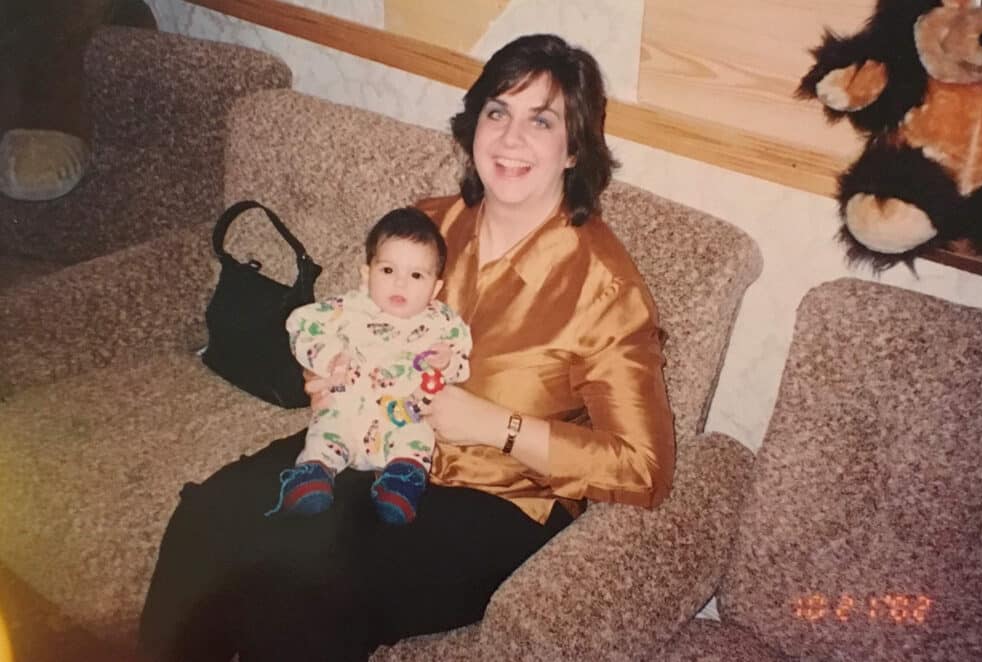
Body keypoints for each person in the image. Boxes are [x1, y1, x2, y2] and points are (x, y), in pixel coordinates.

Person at [139, 33, 674, 662]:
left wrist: (497, 425)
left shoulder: (604, 287)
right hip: (372, 439)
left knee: (295, 601)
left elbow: (644, 469)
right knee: (206, 520)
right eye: (497, 111)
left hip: (493, 500)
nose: (509, 138)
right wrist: (326, 370)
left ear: (575, 147)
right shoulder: (431, 225)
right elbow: (353, 320)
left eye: (541, 120)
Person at [268, 207, 471, 522]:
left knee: (418, 437)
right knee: (327, 429)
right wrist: (328, 356)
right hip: (347, 406)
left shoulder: (442, 323)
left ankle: (401, 481)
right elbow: (299, 326)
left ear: (435, 288)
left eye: (416, 275)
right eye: (388, 271)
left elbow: (462, 362)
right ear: (366, 274)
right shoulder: (346, 308)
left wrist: (446, 363)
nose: (400, 284)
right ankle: (314, 475)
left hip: (401, 414)